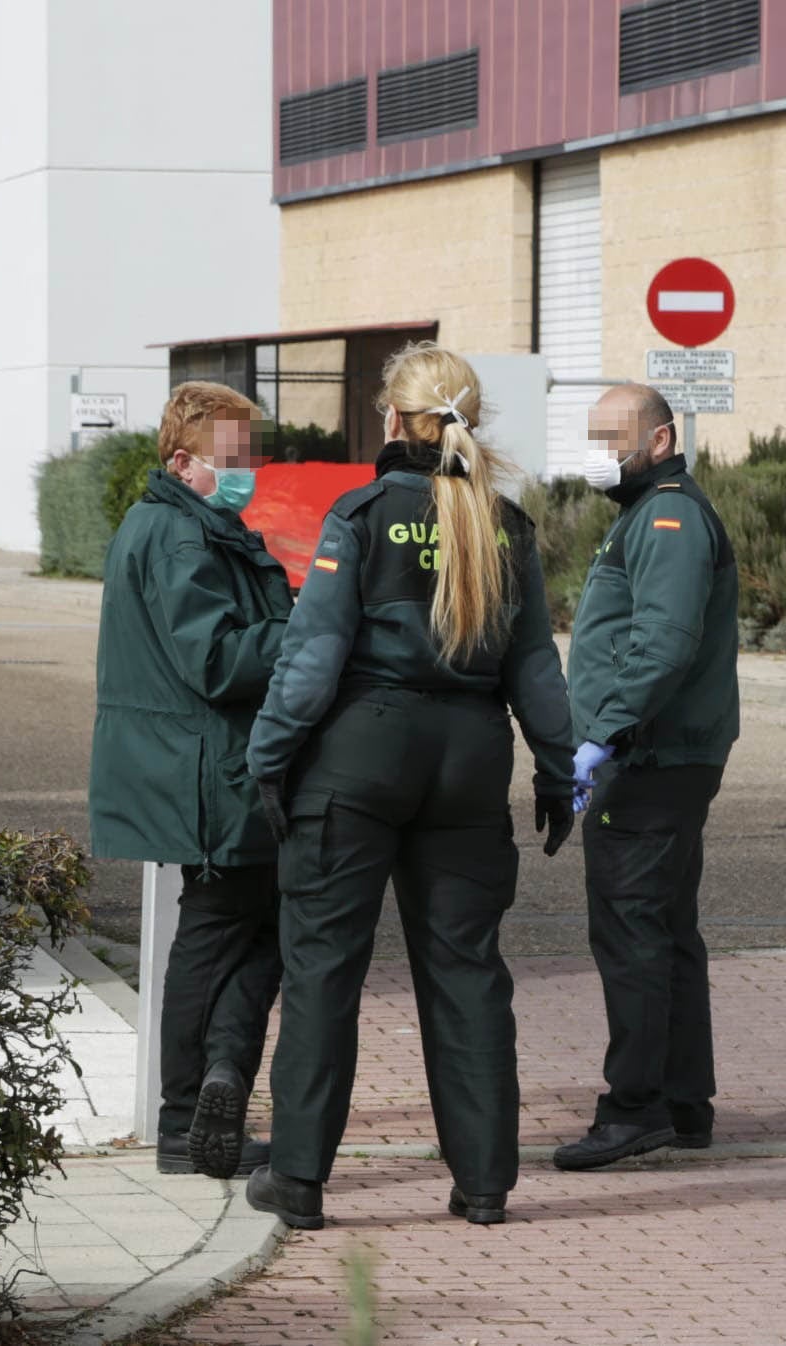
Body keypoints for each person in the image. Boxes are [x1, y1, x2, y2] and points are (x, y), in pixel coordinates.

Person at [242, 342, 577, 1230]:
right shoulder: (505, 525)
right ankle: (483, 1184)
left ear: (391, 418)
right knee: (467, 973)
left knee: (324, 970)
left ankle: (301, 1181)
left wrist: (268, 757)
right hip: (469, 760)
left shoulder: (359, 516)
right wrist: (556, 768)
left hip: (360, 757)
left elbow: (312, 659)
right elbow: (536, 664)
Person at [88, 381, 291, 1180]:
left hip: (203, 768)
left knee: (249, 931)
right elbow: (215, 658)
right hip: (207, 772)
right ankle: (190, 1113)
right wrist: (311, 630)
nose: (247, 471)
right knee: (220, 932)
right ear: (182, 461)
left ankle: (215, 1091)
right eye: (231, 458)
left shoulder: (196, 528)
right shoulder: (178, 537)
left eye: (251, 455)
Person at [554, 381, 739, 1173]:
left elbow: (661, 642)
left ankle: (633, 1108)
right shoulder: (646, 512)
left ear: (659, 442)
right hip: (661, 752)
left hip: (651, 756)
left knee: (631, 933)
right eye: (592, 438)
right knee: (663, 932)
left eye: (612, 438)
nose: (599, 455)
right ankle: (680, 1103)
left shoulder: (667, 516)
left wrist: (602, 735)